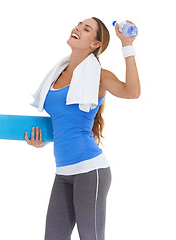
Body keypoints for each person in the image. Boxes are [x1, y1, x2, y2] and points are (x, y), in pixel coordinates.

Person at [25, 17, 140, 240]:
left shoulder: (99, 76)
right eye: (79, 24)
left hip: (90, 171)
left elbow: (132, 91)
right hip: (63, 173)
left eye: (86, 29)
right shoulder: (56, 73)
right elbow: (62, 122)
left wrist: (127, 45)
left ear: (95, 44)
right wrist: (41, 141)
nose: (77, 28)